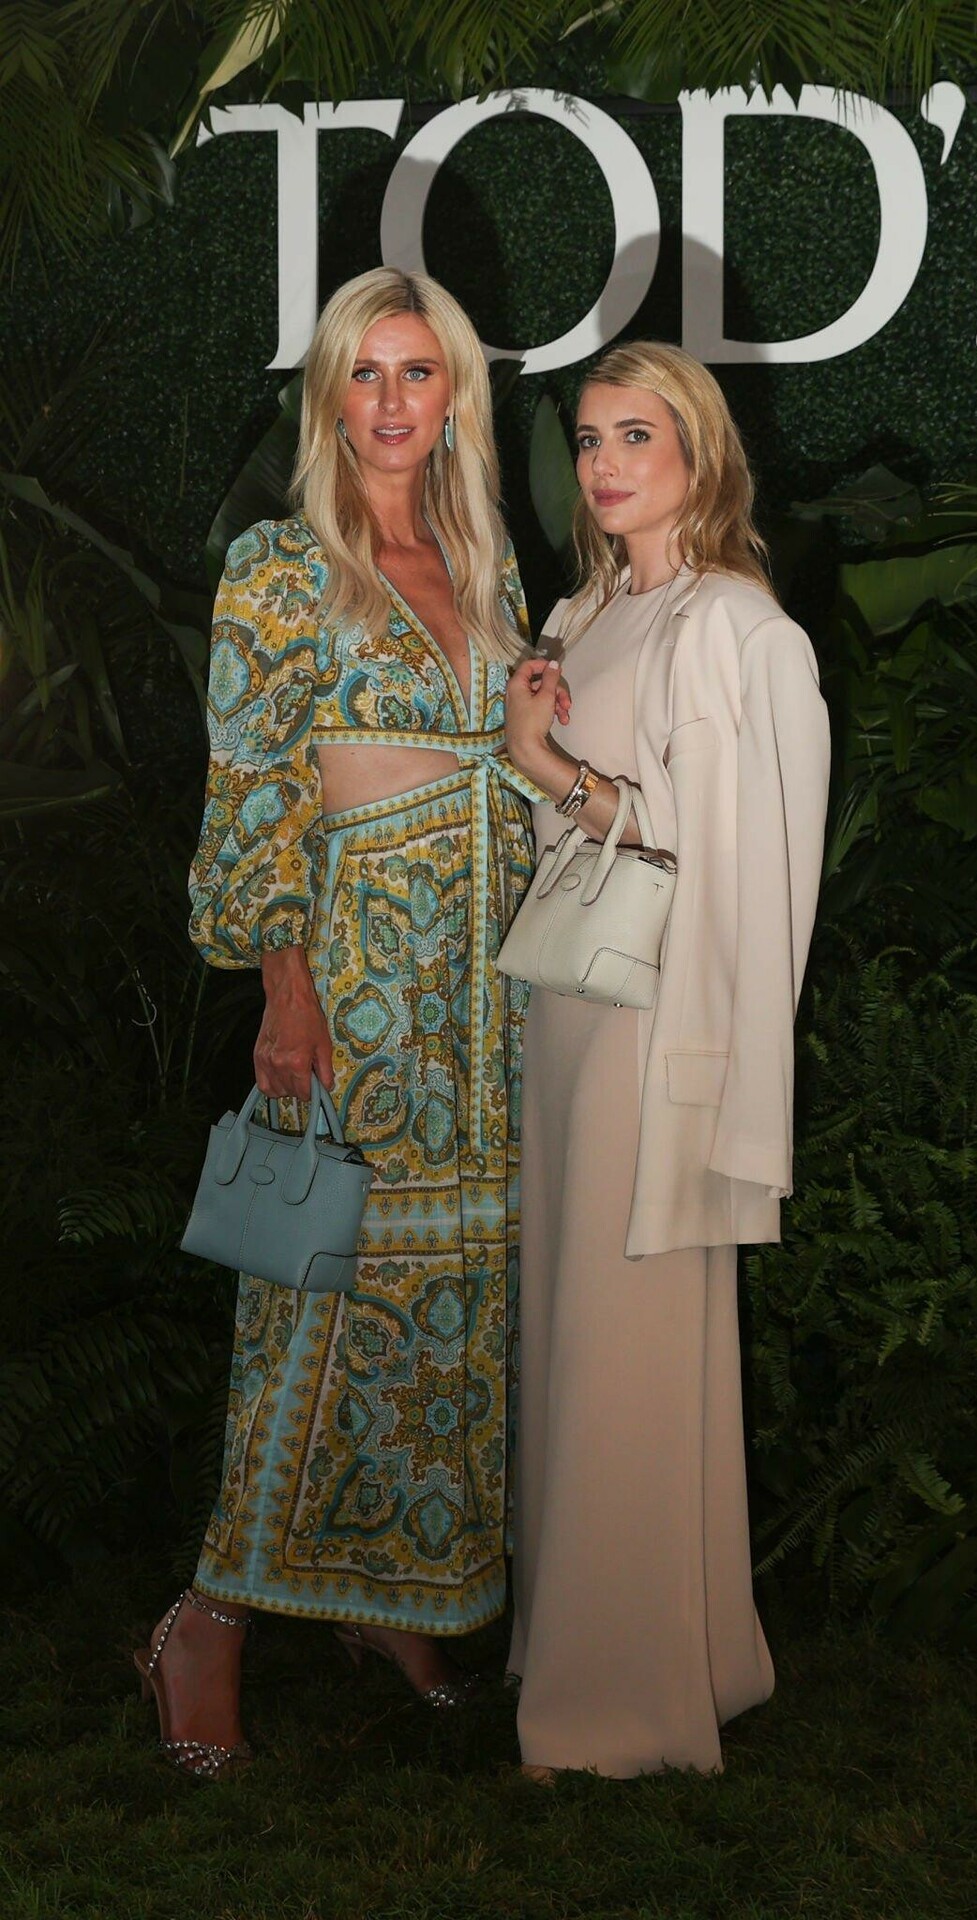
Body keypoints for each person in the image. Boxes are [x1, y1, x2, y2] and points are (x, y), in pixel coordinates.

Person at [136, 267, 556, 1778]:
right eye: (364, 373)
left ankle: (389, 1602)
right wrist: (285, 986)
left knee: (450, 1314)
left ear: (456, 395)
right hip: (357, 985)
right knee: (311, 1296)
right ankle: (207, 1623)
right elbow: (254, 788)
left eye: (418, 372)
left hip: (483, 994)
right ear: (329, 396)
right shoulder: (281, 566)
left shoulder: (485, 560)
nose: (391, 401)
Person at [503, 342, 830, 1779]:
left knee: (627, 1346)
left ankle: (618, 1705)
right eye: (589, 438)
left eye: (638, 435)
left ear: (701, 453)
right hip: (573, 1012)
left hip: (653, 1028)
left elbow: (733, 851)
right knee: (581, 1341)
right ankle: (655, 1657)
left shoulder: (738, 625)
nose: (603, 464)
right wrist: (549, 754)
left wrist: (552, 769)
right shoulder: (589, 609)